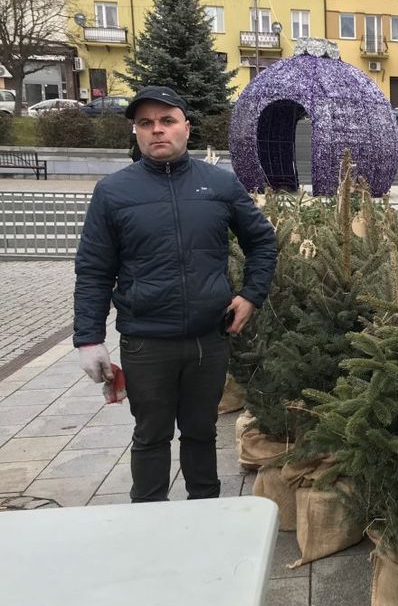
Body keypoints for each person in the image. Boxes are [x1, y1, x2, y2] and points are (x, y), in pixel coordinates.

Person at [73, 85, 277, 502]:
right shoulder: (113, 192)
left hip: (208, 339)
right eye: (145, 123)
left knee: (201, 432)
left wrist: (251, 295)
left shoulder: (219, 184)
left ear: (186, 126)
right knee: (151, 434)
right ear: (136, 131)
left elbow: (262, 241)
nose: (157, 130)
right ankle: (149, 514)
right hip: (146, 342)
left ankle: (204, 510)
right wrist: (89, 339)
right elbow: (94, 270)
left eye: (167, 120)